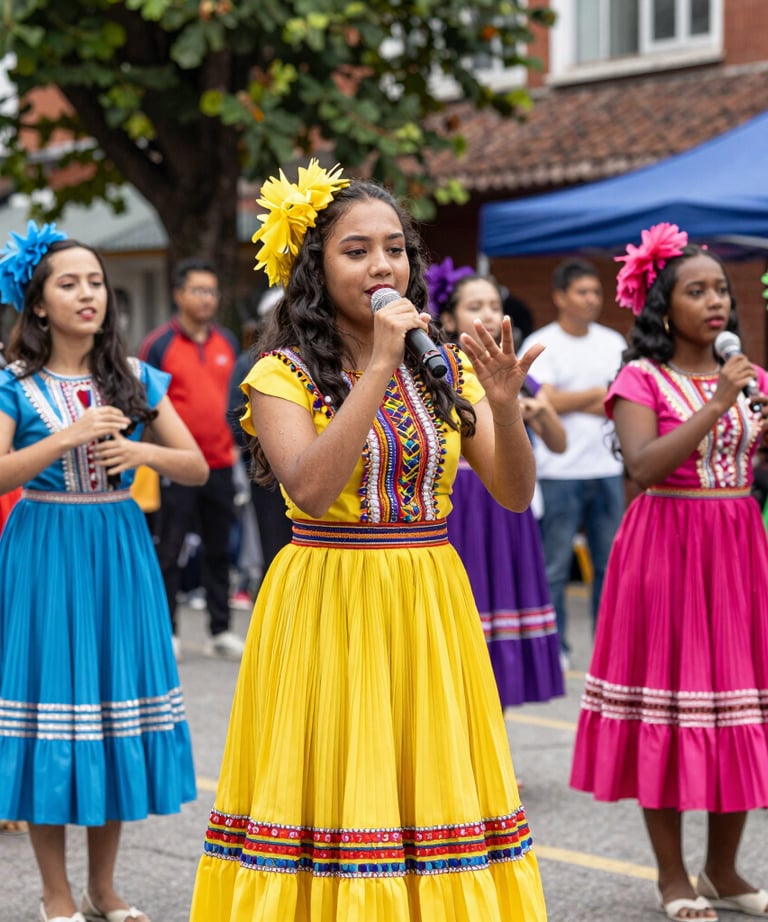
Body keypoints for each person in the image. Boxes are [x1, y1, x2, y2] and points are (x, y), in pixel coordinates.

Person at [189, 159, 548, 921]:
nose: (383, 265)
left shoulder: (445, 367)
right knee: (339, 789)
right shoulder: (279, 374)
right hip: (329, 596)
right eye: (356, 250)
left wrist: (508, 406)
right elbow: (311, 488)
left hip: (429, 597)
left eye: (395, 248)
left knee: (426, 787)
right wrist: (381, 364)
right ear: (315, 267)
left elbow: (514, 495)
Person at [0, 222, 208, 922]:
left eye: (94, 282)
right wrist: (64, 438)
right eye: (69, 283)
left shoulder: (137, 379)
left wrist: (141, 454)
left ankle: (104, 888)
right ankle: (57, 893)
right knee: (54, 713)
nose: (87, 294)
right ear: (37, 303)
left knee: (113, 712)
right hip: (46, 545)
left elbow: (198, 465)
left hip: (119, 544)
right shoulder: (14, 385)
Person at [570, 223, 768, 922]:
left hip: (739, 549)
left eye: (721, 289)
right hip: (666, 550)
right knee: (671, 703)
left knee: (737, 707)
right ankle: (673, 877)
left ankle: (724, 868)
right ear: (662, 304)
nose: (716, 301)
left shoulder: (752, 380)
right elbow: (644, 467)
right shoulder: (639, 378)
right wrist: (717, 405)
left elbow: (753, 463)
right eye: (697, 290)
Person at [435, 268, 566, 708]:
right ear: (449, 319)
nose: (488, 314)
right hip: (460, 507)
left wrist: (532, 412)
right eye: (475, 307)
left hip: (504, 509)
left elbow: (559, 442)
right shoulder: (437, 373)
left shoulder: (516, 374)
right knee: (463, 619)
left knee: (501, 611)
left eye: (494, 305)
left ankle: (498, 745)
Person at [520, 258, 626, 668]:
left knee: (608, 566)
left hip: (607, 469)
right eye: (582, 292)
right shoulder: (544, 343)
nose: (592, 300)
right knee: (555, 567)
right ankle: (556, 648)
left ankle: (606, 648)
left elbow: (619, 403)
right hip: (558, 472)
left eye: (596, 292)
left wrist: (567, 399)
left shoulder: (614, 342)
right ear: (560, 297)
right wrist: (593, 396)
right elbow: (542, 403)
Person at [139, 258, 245, 661]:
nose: (206, 299)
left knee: (220, 549)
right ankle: (168, 632)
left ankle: (220, 629)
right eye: (198, 290)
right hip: (175, 465)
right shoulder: (158, 344)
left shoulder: (227, 342)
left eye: (212, 291)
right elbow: (143, 405)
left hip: (219, 462)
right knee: (170, 550)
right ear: (178, 294)